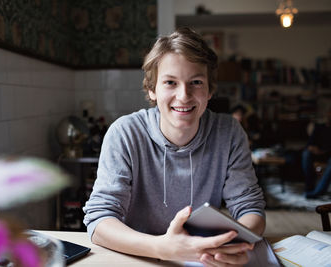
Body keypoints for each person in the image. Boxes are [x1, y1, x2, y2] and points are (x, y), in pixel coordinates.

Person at [83, 27, 266, 266]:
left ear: (210, 90)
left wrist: (237, 243)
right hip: (138, 257)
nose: (184, 95)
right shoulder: (125, 133)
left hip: (203, 258)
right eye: (170, 82)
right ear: (152, 89)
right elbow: (99, 220)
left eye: (196, 82)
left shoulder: (229, 133)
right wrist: (162, 248)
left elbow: (250, 208)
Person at [302, 107, 331, 198]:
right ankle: (309, 187)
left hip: (328, 154)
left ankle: (318, 191)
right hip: (317, 153)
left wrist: (323, 150)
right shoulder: (319, 127)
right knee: (306, 154)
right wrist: (312, 148)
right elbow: (310, 143)